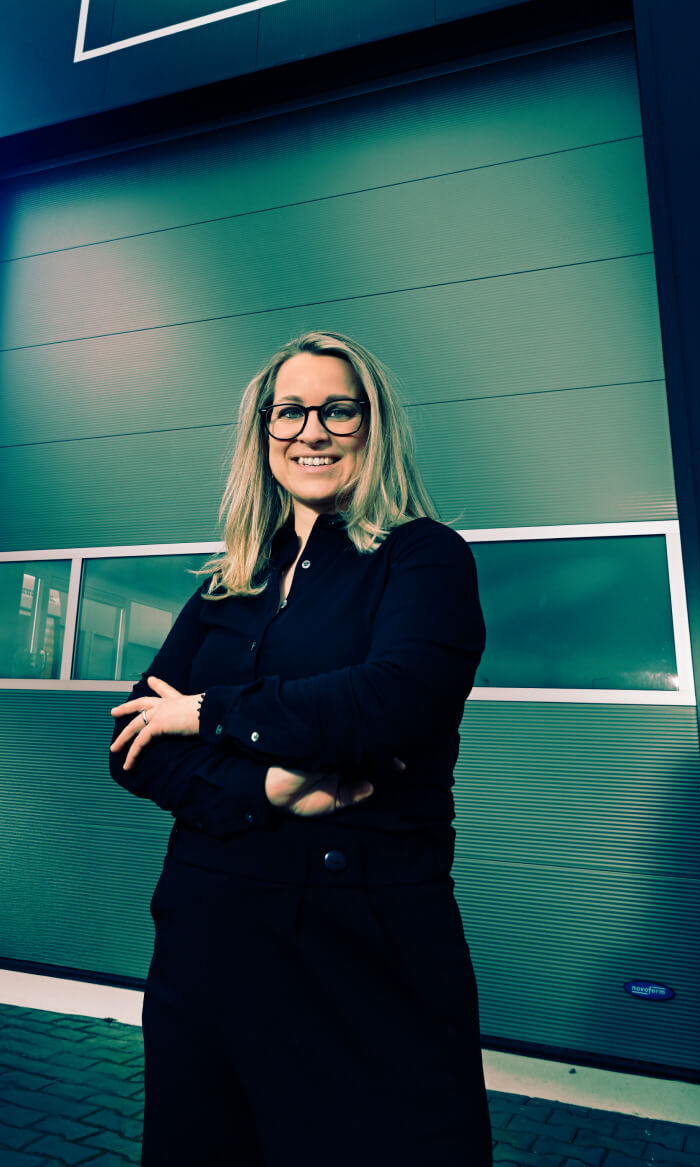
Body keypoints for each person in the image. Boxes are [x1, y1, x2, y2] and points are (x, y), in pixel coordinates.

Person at [108, 330, 493, 1167]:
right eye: (290, 411)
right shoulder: (229, 581)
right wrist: (267, 788)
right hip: (205, 941)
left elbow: (391, 704)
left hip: (360, 947)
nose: (311, 430)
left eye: (337, 410)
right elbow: (132, 741)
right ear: (264, 431)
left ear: (372, 424)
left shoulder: (423, 557)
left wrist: (205, 711)